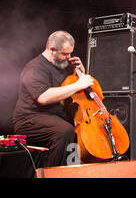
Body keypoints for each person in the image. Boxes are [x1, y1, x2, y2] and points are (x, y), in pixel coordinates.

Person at [12, 31, 94, 167]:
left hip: (55, 117)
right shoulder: (34, 68)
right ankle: (54, 174)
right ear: (51, 49)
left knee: (75, 128)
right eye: (65, 54)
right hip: (29, 119)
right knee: (64, 131)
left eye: (70, 53)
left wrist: (80, 72)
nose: (69, 57)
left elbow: (75, 91)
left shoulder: (63, 65)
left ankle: (73, 171)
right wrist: (77, 84)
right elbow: (43, 97)